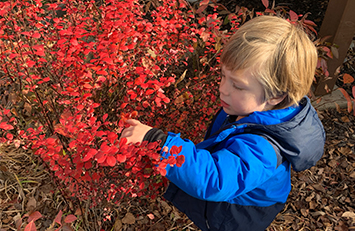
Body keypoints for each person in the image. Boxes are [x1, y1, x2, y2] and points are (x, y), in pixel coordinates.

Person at [120, 15, 325, 231]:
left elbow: (214, 179)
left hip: (237, 217)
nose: (223, 88)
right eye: (223, 75)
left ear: (275, 96)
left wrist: (158, 141)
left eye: (238, 86)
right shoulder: (251, 108)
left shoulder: (262, 149)